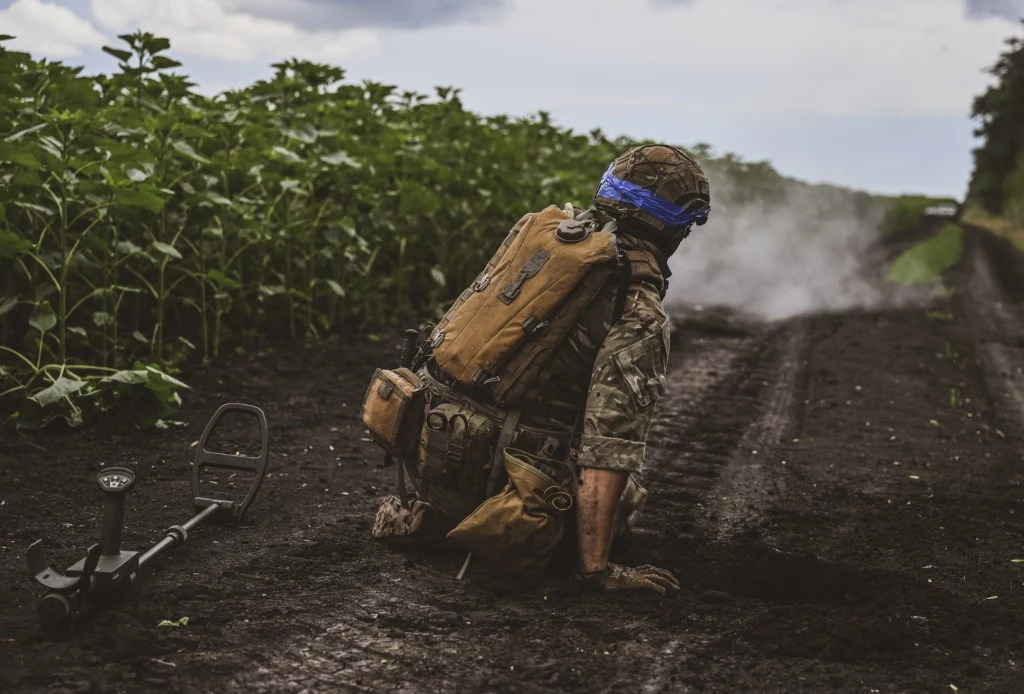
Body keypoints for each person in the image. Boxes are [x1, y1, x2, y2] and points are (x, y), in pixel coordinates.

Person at [371, 144, 711, 595]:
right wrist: (598, 570)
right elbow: (608, 445)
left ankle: (440, 515)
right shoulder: (639, 307)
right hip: (497, 485)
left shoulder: (544, 233)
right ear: (675, 225)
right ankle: (503, 530)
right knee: (627, 498)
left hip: (426, 457)